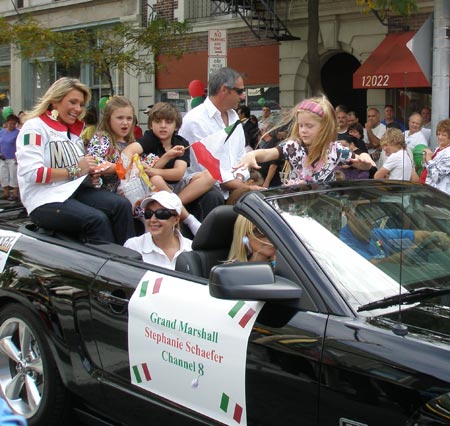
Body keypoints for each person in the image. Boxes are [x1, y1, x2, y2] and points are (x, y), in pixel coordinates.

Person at [16, 77, 135, 244]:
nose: (78, 109)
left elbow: (78, 171)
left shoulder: (74, 133)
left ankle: (131, 258)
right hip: (44, 199)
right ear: (55, 101)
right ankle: (108, 268)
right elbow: (33, 173)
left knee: (121, 205)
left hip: (74, 193)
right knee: (96, 219)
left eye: (81, 104)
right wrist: (76, 170)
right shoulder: (34, 127)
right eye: (73, 102)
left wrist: (89, 175)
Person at [178, 67, 261, 220]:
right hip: (205, 192)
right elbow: (207, 169)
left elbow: (240, 155)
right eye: (239, 91)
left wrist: (240, 179)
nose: (243, 97)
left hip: (233, 185)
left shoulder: (234, 116)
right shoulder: (195, 120)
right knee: (213, 196)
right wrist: (242, 186)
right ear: (224, 90)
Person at [234, 96, 375, 185]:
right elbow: (267, 153)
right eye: (301, 125)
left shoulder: (335, 150)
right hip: (297, 208)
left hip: (325, 212)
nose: (303, 130)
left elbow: (363, 165)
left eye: (309, 126)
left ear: (325, 128)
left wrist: (364, 158)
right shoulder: (293, 146)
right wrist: (252, 155)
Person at [121, 102, 201, 235]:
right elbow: (129, 151)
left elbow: (178, 174)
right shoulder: (149, 139)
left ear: (176, 126)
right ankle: (188, 218)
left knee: (209, 176)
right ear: (151, 125)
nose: (163, 126)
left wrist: (153, 170)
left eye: (168, 122)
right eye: (158, 121)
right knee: (156, 179)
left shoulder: (181, 142)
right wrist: (127, 173)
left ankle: (174, 203)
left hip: (176, 187)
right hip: (153, 188)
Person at [340, 202, 450, 261]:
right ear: (349, 212)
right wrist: (407, 254)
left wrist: (434, 236)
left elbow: (416, 235)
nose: (370, 218)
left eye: (373, 209)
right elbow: (375, 266)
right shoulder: (343, 243)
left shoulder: (376, 234)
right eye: (364, 211)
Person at [124, 191, 192, 269]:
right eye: (148, 213)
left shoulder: (191, 249)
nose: (152, 220)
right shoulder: (133, 246)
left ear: (176, 219)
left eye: (161, 214)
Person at [87, 95, 136, 192]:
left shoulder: (132, 143)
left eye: (129, 118)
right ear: (108, 119)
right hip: (107, 195)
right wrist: (121, 167)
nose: (125, 122)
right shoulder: (101, 139)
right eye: (120, 118)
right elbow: (94, 162)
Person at [421, 118, 450, 195]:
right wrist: (425, 161)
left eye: (444, 135)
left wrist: (429, 160)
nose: (440, 137)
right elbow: (430, 170)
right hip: (429, 192)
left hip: (440, 196)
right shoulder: (439, 149)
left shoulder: (448, 153)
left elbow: (436, 177)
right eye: (439, 133)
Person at [0, 114, 20, 201]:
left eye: (14, 124)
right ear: (7, 123)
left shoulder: (17, 132)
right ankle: (6, 192)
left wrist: (18, 156)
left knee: (13, 175)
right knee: (3, 175)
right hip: (3, 157)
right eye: (10, 123)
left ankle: (15, 193)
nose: (12, 125)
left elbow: (19, 145)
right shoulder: (2, 132)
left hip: (13, 157)